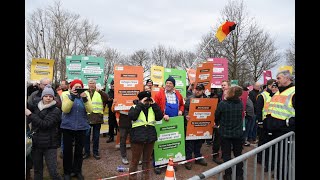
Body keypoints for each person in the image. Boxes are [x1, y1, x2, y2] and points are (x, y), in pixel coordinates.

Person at [25, 85, 63, 180]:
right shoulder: (36, 107)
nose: (48, 98)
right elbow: (31, 121)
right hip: (36, 143)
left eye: (50, 96)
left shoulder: (56, 111)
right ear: (42, 97)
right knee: (37, 170)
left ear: (53, 97)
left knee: (53, 171)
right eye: (46, 96)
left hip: (50, 145)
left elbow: (45, 124)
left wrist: (30, 114)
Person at [264, 70, 295, 179]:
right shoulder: (277, 92)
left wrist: (287, 123)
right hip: (274, 130)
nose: (276, 81)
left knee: (284, 157)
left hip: (285, 131)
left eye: (279, 78)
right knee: (276, 156)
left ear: (287, 79)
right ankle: (278, 174)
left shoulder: (293, 92)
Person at [60, 79, 92, 180]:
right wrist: (72, 97)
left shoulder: (85, 95)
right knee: (67, 151)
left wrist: (85, 99)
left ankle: (77, 171)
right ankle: (67, 172)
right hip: (68, 126)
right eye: (75, 87)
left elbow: (90, 110)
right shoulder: (65, 94)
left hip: (81, 127)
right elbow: (65, 109)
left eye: (80, 87)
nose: (78, 89)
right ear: (71, 87)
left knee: (79, 151)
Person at [128, 91, 163, 180]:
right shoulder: (134, 107)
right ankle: (132, 178)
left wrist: (154, 104)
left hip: (150, 137)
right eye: (145, 100)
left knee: (147, 161)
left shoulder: (152, 108)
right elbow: (133, 116)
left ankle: (145, 178)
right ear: (140, 99)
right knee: (135, 161)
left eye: (148, 100)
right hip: (137, 137)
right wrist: (140, 104)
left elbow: (159, 117)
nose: (147, 102)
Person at [153, 76, 184, 174]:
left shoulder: (178, 94)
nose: (168, 84)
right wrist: (162, 115)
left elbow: (182, 105)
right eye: (167, 83)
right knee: (160, 143)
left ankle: (170, 163)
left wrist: (180, 111)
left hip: (174, 123)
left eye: (170, 83)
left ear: (173, 85)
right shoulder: (159, 94)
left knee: (172, 144)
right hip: (162, 122)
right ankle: (157, 164)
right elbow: (154, 107)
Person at [215, 85, 244, 180]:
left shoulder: (223, 104)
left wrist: (219, 124)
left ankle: (228, 175)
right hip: (237, 133)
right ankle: (239, 175)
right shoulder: (240, 103)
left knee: (226, 155)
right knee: (238, 154)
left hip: (225, 133)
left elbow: (217, 117)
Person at [184, 83, 208, 170]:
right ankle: (189, 159)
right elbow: (185, 109)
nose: (197, 91)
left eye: (199, 89)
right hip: (191, 124)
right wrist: (186, 115)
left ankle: (198, 157)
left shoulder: (207, 99)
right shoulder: (190, 98)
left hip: (202, 124)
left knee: (199, 142)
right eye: (196, 89)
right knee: (190, 142)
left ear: (203, 90)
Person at [83, 79, 108, 160]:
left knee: (96, 137)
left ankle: (95, 152)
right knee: (86, 136)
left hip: (97, 117)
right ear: (88, 84)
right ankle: (86, 152)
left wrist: (101, 91)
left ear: (95, 84)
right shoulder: (84, 92)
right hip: (87, 117)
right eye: (90, 83)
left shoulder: (100, 92)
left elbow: (107, 98)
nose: (91, 84)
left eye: (93, 83)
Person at [256, 79, 277, 166]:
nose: (275, 87)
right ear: (268, 86)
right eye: (273, 85)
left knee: (269, 142)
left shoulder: (276, 95)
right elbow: (259, 109)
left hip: (272, 122)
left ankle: (268, 159)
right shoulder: (262, 95)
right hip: (264, 122)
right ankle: (260, 158)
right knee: (262, 141)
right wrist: (260, 121)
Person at [212, 80, 230, 164]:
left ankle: (224, 155)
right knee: (217, 139)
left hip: (228, 122)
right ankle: (215, 156)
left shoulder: (232, 96)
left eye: (224, 85)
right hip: (219, 121)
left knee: (225, 140)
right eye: (222, 85)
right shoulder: (218, 95)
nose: (223, 86)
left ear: (228, 86)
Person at [110, 98, 132, 165]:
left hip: (133, 122)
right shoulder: (118, 97)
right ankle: (124, 156)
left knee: (134, 140)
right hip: (122, 122)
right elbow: (113, 110)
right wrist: (114, 103)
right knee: (122, 140)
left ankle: (136, 157)